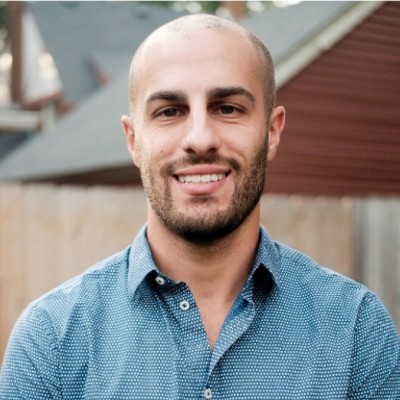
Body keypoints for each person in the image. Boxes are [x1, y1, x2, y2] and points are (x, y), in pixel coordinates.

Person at [1, 13, 399, 399]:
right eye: (169, 111)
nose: (200, 138)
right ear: (133, 140)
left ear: (272, 131)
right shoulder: (52, 341)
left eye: (227, 108)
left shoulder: (357, 333)